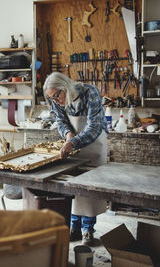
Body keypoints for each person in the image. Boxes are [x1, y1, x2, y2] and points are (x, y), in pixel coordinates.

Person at [43, 72, 108, 246]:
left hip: (94, 146)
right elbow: (62, 122)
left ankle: (88, 230)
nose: (56, 101)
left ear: (65, 88)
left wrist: (72, 143)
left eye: (57, 96)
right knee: (72, 187)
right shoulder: (56, 101)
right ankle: (74, 228)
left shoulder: (90, 93)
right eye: (52, 99)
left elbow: (94, 127)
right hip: (73, 147)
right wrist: (69, 135)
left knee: (90, 191)